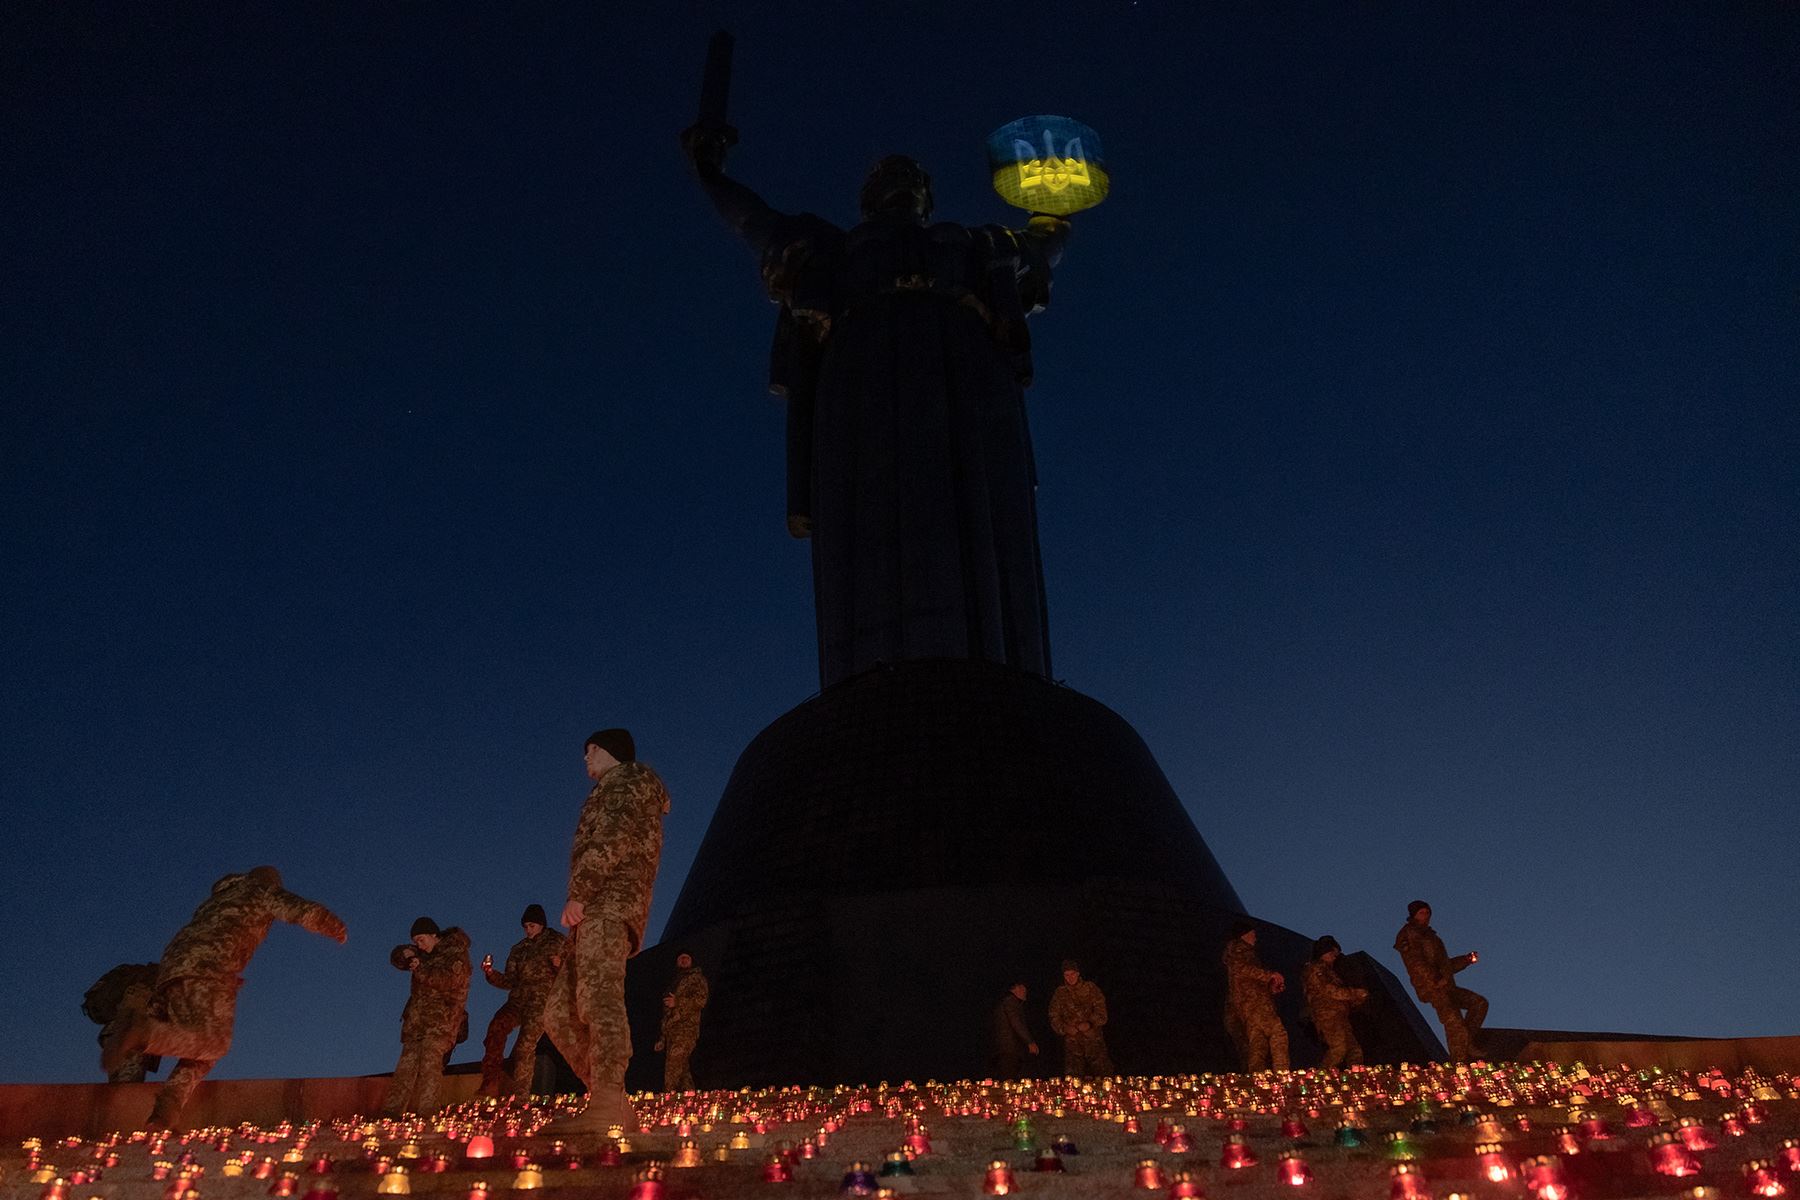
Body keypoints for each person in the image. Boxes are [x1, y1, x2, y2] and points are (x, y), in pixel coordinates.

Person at [682, 126, 1074, 690]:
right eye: (887, 176)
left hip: (963, 381)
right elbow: (754, 222)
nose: (900, 182)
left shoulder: (972, 243)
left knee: (974, 501)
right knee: (870, 511)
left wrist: (1056, 216)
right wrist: (711, 174)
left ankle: (992, 664)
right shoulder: (832, 251)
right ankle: (874, 674)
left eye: (911, 177)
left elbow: (1037, 253)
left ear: (926, 196)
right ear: (868, 199)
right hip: (861, 384)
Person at [103, 866, 346, 1129]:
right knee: (216, 1043)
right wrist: (334, 926)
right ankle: (143, 1033)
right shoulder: (260, 890)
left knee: (201, 1048)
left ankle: (166, 1111)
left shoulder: (217, 900)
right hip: (211, 967)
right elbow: (299, 910)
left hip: (172, 969)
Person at [542, 727, 670, 1132]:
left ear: (609, 750)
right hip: (593, 912)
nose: (585, 759)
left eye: (590, 750)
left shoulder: (627, 781)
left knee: (600, 1000)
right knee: (558, 1013)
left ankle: (608, 1097)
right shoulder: (612, 787)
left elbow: (612, 838)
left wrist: (580, 892)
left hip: (608, 904)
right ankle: (610, 1100)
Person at [477, 903, 567, 1098]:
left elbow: (573, 970)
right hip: (518, 1000)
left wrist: (560, 965)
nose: (528, 930)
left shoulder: (558, 941)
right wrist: (491, 973)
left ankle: (520, 1095)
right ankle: (490, 1081)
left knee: (525, 1044)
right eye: (525, 926)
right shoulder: (519, 949)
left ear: (541, 925)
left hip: (541, 1000)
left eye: (531, 925)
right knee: (496, 1027)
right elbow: (509, 980)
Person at [384, 917, 471, 1117]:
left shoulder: (456, 954)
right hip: (416, 1023)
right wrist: (406, 955)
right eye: (416, 941)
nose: (419, 945)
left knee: (430, 1066)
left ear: (434, 935)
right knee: (405, 1068)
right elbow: (397, 958)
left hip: (441, 1022)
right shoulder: (423, 955)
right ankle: (391, 1113)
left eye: (422, 939)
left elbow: (448, 981)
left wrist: (420, 967)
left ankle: (428, 1113)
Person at [1394, 900, 1487, 1062]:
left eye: (1428, 912)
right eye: (1422, 913)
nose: (1426, 916)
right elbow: (1415, 963)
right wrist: (1435, 979)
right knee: (1454, 1022)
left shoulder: (1432, 937)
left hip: (1447, 985)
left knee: (1479, 1003)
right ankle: (1459, 1062)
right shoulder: (1408, 934)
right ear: (1414, 915)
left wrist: (1465, 960)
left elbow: (1445, 966)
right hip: (1433, 988)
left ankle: (1467, 1043)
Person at [1223, 920, 1290, 1071]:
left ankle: (1256, 1076)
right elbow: (1242, 969)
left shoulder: (1242, 952)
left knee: (1258, 1041)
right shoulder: (1240, 950)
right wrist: (1269, 975)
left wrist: (1271, 987)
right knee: (1277, 1032)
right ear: (1244, 935)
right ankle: (1282, 1073)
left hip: (1250, 1003)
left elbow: (1247, 979)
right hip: (1255, 1003)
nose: (1255, 937)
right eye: (1253, 934)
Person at [82, 963, 162, 1083]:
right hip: (129, 1035)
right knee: (126, 1088)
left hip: (122, 1034)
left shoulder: (153, 979)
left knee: (122, 1084)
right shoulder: (156, 981)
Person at [1302, 935, 1369, 1069]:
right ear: (1323, 952)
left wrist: (1356, 1000)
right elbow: (1330, 991)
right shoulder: (1316, 969)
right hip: (1327, 1015)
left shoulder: (1330, 971)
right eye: (1331, 952)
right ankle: (1321, 1078)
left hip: (1340, 1015)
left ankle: (1357, 1080)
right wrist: (1354, 994)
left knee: (1354, 1051)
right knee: (1339, 1048)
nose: (1334, 955)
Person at [652, 952, 709, 1092]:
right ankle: (690, 1100)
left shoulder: (697, 979)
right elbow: (667, 1013)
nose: (683, 960)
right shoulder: (674, 981)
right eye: (680, 958)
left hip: (686, 1029)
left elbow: (700, 1001)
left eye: (687, 958)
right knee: (682, 1071)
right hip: (672, 1031)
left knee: (673, 1065)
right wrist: (662, 1038)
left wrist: (678, 1002)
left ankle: (668, 1099)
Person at [1046, 959, 1114, 1076]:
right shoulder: (1060, 993)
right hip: (1073, 1046)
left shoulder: (1091, 988)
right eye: (1066, 975)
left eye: (1072, 974)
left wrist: (1090, 1023)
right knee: (1073, 1081)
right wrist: (1064, 1028)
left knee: (1104, 1077)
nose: (1070, 978)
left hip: (1094, 1043)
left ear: (1078, 974)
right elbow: (1054, 1016)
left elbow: (1102, 1013)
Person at [989, 980, 1039, 1080]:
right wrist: (1030, 1042)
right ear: (1016, 988)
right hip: (1009, 1049)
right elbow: (1017, 1023)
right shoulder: (1011, 1002)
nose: (1025, 991)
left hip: (1007, 1049)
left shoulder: (1007, 1002)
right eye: (1023, 988)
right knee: (1009, 1078)